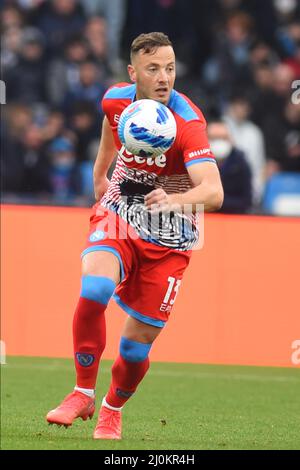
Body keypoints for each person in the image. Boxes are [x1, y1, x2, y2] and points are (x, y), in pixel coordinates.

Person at [46, 32, 224, 440]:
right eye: (154, 69)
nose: (165, 77)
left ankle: (111, 409)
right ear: (133, 73)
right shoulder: (115, 99)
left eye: (171, 68)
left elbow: (213, 192)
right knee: (93, 289)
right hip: (121, 211)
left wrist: (176, 199)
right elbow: (113, 126)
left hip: (171, 234)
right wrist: (99, 173)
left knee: (134, 350)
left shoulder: (188, 122)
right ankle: (81, 392)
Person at [208, 120, 252, 214]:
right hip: (204, 219)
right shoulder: (194, 165)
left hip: (233, 218)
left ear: (231, 139)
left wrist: (217, 202)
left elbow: (247, 201)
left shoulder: (241, 164)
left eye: (223, 138)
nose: (219, 142)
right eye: (214, 138)